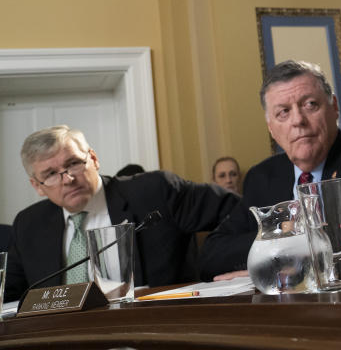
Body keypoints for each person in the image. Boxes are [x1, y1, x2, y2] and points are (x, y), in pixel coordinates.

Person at [198, 60, 341, 279]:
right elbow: (213, 253)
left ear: (334, 107)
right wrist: (281, 234)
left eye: (310, 104)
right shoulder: (262, 177)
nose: (298, 120)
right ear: (271, 128)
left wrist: (272, 263)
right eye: (283, 112)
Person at [4, 125, 238, 301]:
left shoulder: (153, 191)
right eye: (51, 174)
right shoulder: (29, 224)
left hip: (153, 330)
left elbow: (237, 211)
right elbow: (8, 291)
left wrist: (232, 268)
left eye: (74, 163)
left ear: (93, 159)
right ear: (37, 186)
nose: (68, 179)